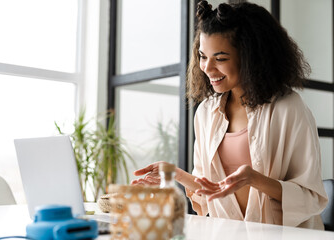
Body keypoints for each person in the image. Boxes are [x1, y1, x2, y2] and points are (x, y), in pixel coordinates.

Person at [131, 1, 328, 229]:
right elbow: (209, 190)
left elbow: (311, 197)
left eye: (221, 58)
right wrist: (175, 174)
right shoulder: (206, 113)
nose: (207, 67)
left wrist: (255, 179)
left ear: (252, 57)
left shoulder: (289, 108)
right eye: (203, 56)